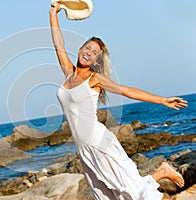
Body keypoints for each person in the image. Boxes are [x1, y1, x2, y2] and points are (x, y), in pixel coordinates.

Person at [50, 3, 188, 200]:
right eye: (87, 47)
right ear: (80, 49)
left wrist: (162, 100)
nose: (89, 52)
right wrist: (53, 13)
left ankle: (163, 173)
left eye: (95, 52)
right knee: (107, 197)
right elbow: (58, 44)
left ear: (96, 60)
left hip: (99, 143)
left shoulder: (94, 79)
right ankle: (161, 172)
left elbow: (127, 91)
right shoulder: (68, 73)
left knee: (132, 191)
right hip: (83, 149)